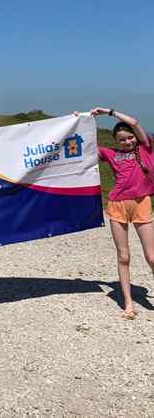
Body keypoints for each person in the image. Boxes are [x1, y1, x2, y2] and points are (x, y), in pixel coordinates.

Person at [90, 107, 154, 319]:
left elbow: (134, 122)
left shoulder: (146, 148)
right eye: (122, 140)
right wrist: (80, 121)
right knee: (123, 256)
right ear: (116, 141)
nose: (127, 142)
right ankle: (128, 303)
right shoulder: (112, 154)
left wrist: (109, 112)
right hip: (117, 205)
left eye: (129, 138)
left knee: (151, 256)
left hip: (141, 203)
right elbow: (86, 147)